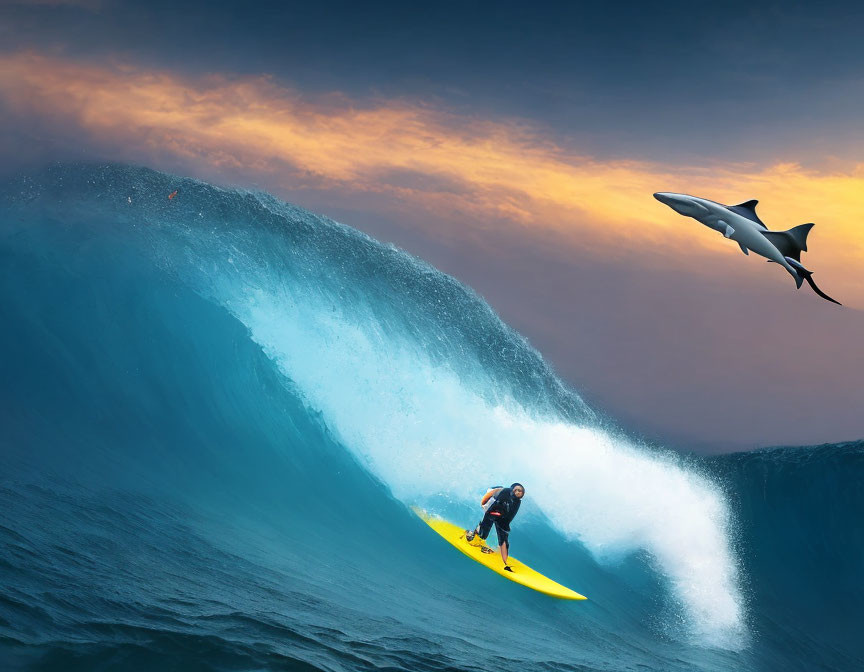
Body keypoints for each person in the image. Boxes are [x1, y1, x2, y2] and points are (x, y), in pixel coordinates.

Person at [465, 483, 525, 571]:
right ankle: (475, 533)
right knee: (488, 521)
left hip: (502, 503)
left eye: (521, 491)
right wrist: (483, 503)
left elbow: (509, 517)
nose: (519, 492)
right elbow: (490, 494)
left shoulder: (517, 501)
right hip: (491, 496)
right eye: (517, 490)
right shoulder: (503, 491)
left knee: (501, 524)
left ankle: (488, 542)